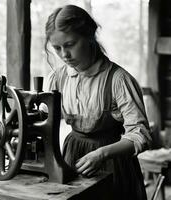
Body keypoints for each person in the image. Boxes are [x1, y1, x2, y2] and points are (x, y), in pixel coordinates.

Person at [44, 4, 152, 200]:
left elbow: (140, 134)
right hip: (73, 157)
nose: (64, 55)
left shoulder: (118, 80)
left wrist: (102, 154)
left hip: (114, 164)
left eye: (70, 44)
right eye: (57, 48)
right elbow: (45, 121)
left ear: (89, 37)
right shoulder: (58, 78)